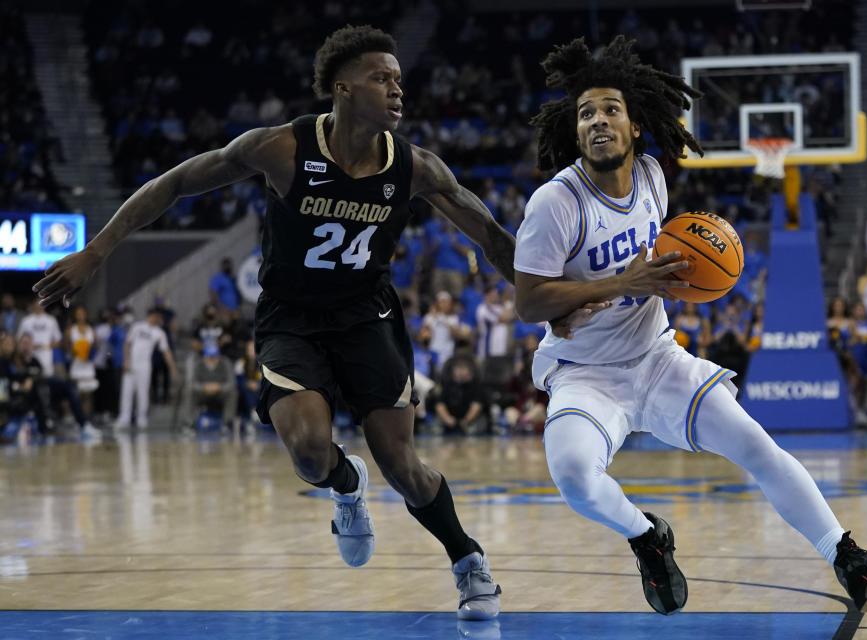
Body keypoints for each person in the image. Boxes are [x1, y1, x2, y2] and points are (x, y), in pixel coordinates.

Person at [31, 25, 589, 620]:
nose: (398, 88)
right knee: (307, 452)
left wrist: (553, 304)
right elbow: (174, 184)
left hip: (367, 315)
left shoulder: (416, 167)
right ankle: (346, 485)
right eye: (382, 77)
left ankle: (467, 559)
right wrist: (97, 250)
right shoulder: (280, 148)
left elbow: (492, 238)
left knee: (403, 466)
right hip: (290, 317)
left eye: (399, 78)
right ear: (343, 89)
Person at [513, 36, 867, 616]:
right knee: (573, 476)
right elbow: (528, 302)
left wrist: (681, 278)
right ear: (576, 132)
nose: (598, 120)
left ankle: (850, 560)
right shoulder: (556, 202)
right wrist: (623, 282)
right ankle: (646, 535)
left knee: (756, 444)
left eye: (610, 109)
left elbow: (660, 270)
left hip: (656, 357)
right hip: (585, 373)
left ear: (636, 126)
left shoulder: (652, 177)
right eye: (586, 113)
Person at [115, 308, 179, 430]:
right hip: (132, 362)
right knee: (127, 391)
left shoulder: (159, 332)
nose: (159, 320)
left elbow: (166, 351)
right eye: (158, 317)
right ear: (152, 315)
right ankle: (124, 418)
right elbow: (127, 344)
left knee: (143, 392)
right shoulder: (137, 327)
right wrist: (126, 360)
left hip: (145, 365)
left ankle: (142, 419)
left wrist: (172, 368)